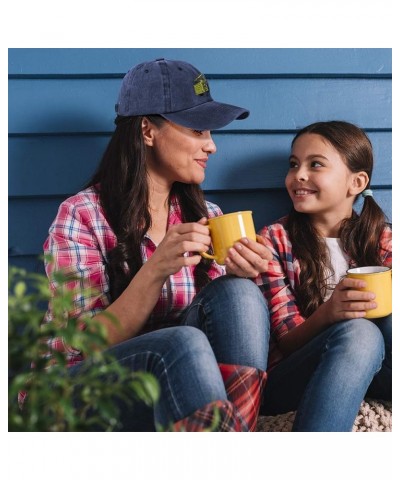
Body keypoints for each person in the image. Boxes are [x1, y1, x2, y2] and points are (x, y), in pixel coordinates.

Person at [39, 58, 272, 432]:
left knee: (239, 295)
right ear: (148, 130)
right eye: (197, 130)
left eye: (211, 133)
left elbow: (225, 334)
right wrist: (157, 267)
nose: (211, 146)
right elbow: (88, 344)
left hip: (179, 379)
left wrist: (245, 276)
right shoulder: (81, 215)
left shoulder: (207, 214)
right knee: (183, 341)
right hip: (80, 388)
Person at [256, 120, 392, 432]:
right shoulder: (275, 240)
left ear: (356, 182)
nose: (298, 175)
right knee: (361, 332)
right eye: (294, 164)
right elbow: (287, 343)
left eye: (315, 164)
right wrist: (330, 314)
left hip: (377, 373)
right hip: (295, 378)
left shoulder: (382, 240)